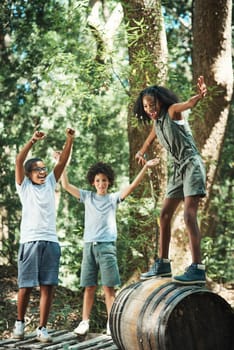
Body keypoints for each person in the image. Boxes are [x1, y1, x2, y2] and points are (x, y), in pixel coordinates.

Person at [56, 155, 158, 336]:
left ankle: (112, 325)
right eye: (97, 180)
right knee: (89, 286)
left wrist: (146, 167)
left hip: (107, 247)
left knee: (108, 288)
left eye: (104, 180)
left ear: (109, 182)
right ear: (93, 182)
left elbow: (132, 186)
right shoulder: (87, 197)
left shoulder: (112, 198)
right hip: (89, 247)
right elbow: (65, 185)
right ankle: (84, 322)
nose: (101, 183)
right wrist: (60, 164)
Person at [134, 75, 207, 285]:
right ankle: (163, 264)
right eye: (146, 106)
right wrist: (141, 151)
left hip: (191, 164)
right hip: (177, 169)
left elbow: (188, 104)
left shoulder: (173, 111)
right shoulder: (156, 122)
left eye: (152, 104)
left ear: (161, 101)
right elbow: (151, 136)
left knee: (189, 214)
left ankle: (197, 268)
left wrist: (199, 96)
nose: (149, 109)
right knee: (164, 214)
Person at [12, 128, 75, 343]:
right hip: (29, 241)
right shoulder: (24, 187)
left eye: (43, 169)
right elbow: (19, 160)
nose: (41, 172)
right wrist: (32, 141)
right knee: (26, 286)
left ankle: (42, 328)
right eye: (37, 170)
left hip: (51, 241)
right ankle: (19, 323)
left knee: (48, 286)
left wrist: (70, 139)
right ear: (29, 173)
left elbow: (63, 161)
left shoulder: (49, 182)